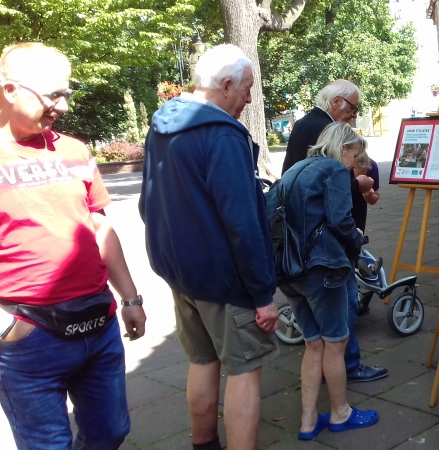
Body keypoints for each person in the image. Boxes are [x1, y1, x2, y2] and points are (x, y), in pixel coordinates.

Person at [0, 42, 147, 449]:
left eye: (67, 93)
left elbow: (100, 228)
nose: (62, 105)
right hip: (29, 335)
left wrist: (131, 299)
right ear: (10, 89)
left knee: (111, 432)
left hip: (98, 323)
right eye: (52, 94)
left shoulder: (74, 150)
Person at [139, 44, 280, 450]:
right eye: (248, 89)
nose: (250, 98)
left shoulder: (162, 126)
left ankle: (204, 445)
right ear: (226, 84)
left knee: (202, 360)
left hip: (182, 274)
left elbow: (148, 203)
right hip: (225, 278)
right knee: (245, 369)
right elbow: (244, 224)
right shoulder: (222, 136)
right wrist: (262, 294)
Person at [278, 123, 380, 439]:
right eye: (355, 154)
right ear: (344, 147)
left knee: (314, 344)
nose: (355, 163)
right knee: (336, 344)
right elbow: (340, 219)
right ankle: (340, 413)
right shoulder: (334, 170)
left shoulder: (296, 168)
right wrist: (357, 238)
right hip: (322, 269)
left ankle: (309, 421)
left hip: (289, 270)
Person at [283, 80, 387, 384]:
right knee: (342, 314)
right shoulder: (330, 157)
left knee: (316, 336)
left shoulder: (308, 130)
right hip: (323, 251)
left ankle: (312, 409)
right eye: (353, 108)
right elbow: (334, 210)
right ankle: (347, 370)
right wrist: (356, 239)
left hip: (299, 255)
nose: (354, 115)